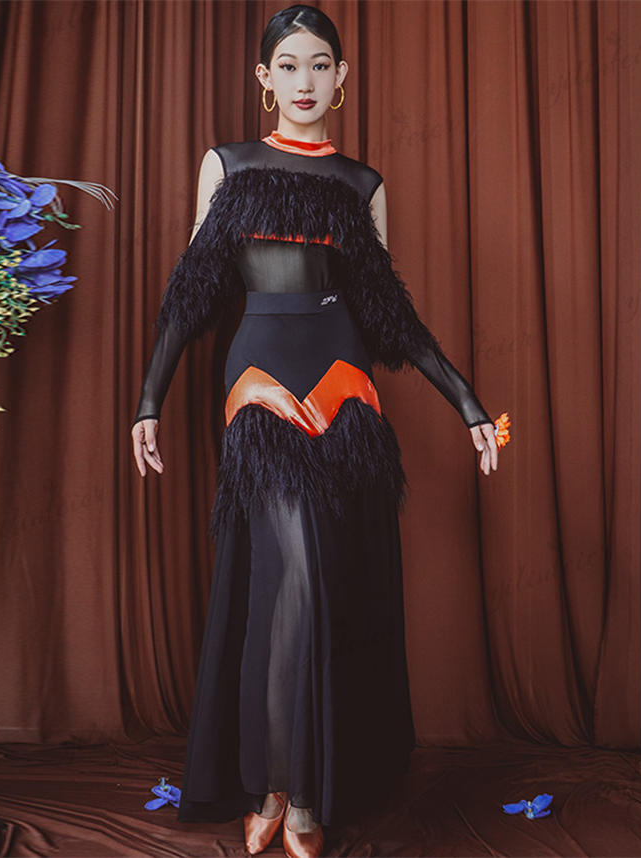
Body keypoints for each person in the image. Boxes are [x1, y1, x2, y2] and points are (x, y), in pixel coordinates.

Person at [131, 5, 500, 857]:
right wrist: (150, 400)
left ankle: (304, 793)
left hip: (345, 390)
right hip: (259, 385)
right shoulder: (226, 165)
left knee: (321, 585)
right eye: (290, 66)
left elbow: (388, 316)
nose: (305, 81)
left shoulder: (363, 184)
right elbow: (191, 296)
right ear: (265, 78)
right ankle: (275, 785)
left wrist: (469, 403)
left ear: (342, 77)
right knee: (289, 575)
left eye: (321, 65)